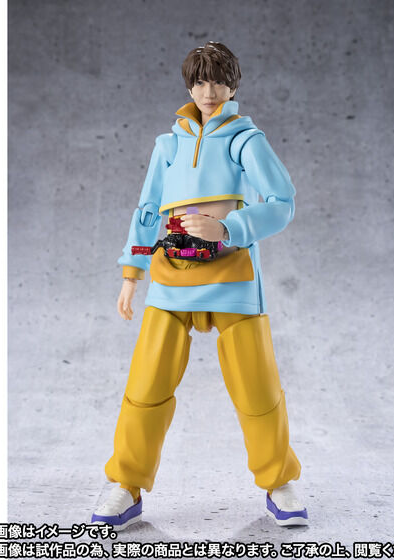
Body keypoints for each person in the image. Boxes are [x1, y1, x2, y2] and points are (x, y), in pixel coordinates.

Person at [92, 42, 308, 529]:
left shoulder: (244, 141)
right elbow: (148, 210)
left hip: (232, 278)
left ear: (233, 85)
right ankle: (125, 481)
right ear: (189, 86)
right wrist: (131, 272)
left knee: (256, 387)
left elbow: (282, 201)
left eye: (218, 81)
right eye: (200, 81)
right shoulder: (167, 145)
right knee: (146, 383)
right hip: (171, 279)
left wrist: (229, 228)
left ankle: (279, 480)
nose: (209, 91)